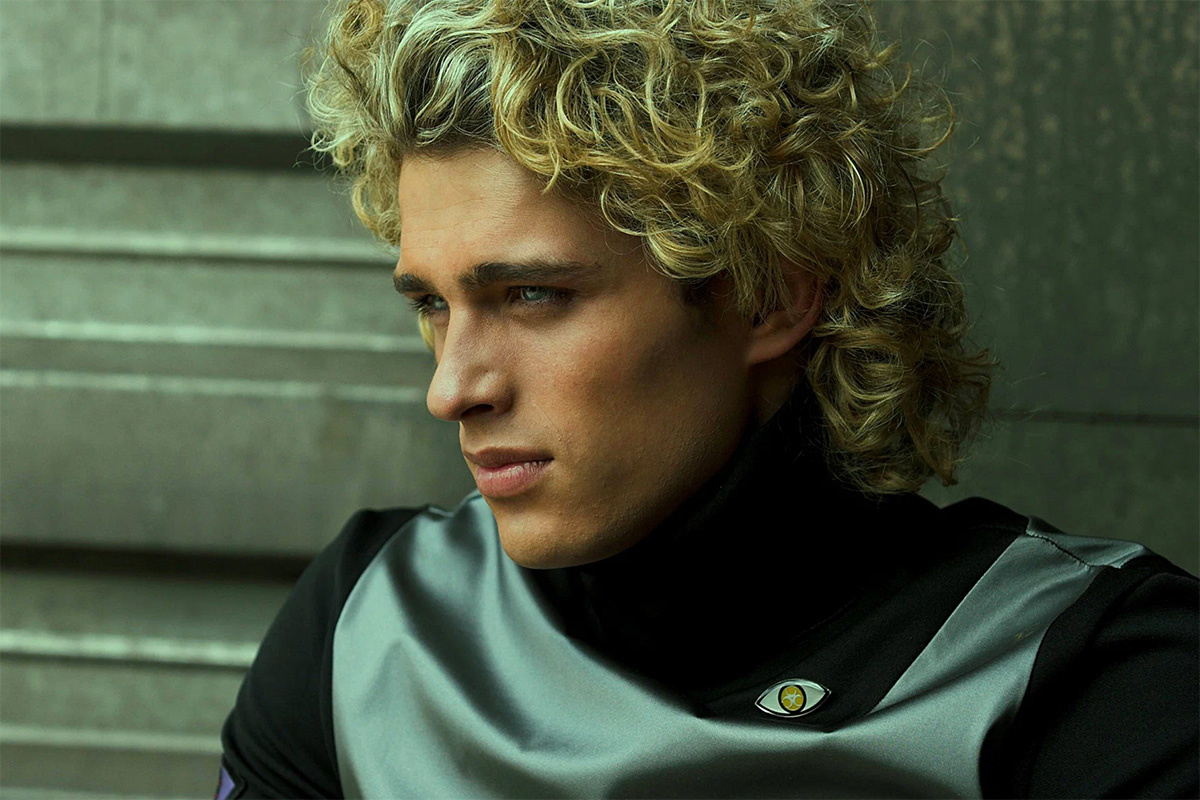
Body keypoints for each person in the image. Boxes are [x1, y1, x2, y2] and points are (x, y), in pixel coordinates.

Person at [215, 0, 1199, 797]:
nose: (452, 388)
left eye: (533, 295)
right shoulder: (371, 627)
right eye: (433, 304)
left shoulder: (1086, 676)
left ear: (769, 294)